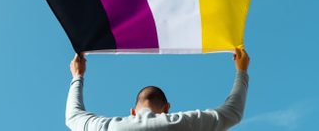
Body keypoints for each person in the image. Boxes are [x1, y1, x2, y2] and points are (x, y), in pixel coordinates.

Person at [66, 48, 250, 131]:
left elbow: (73, 117)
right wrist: (241, 71)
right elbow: (233, 112)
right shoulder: (182, 124)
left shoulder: (111, 128)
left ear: (132, 112)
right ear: (167, 108)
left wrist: (78, 76)